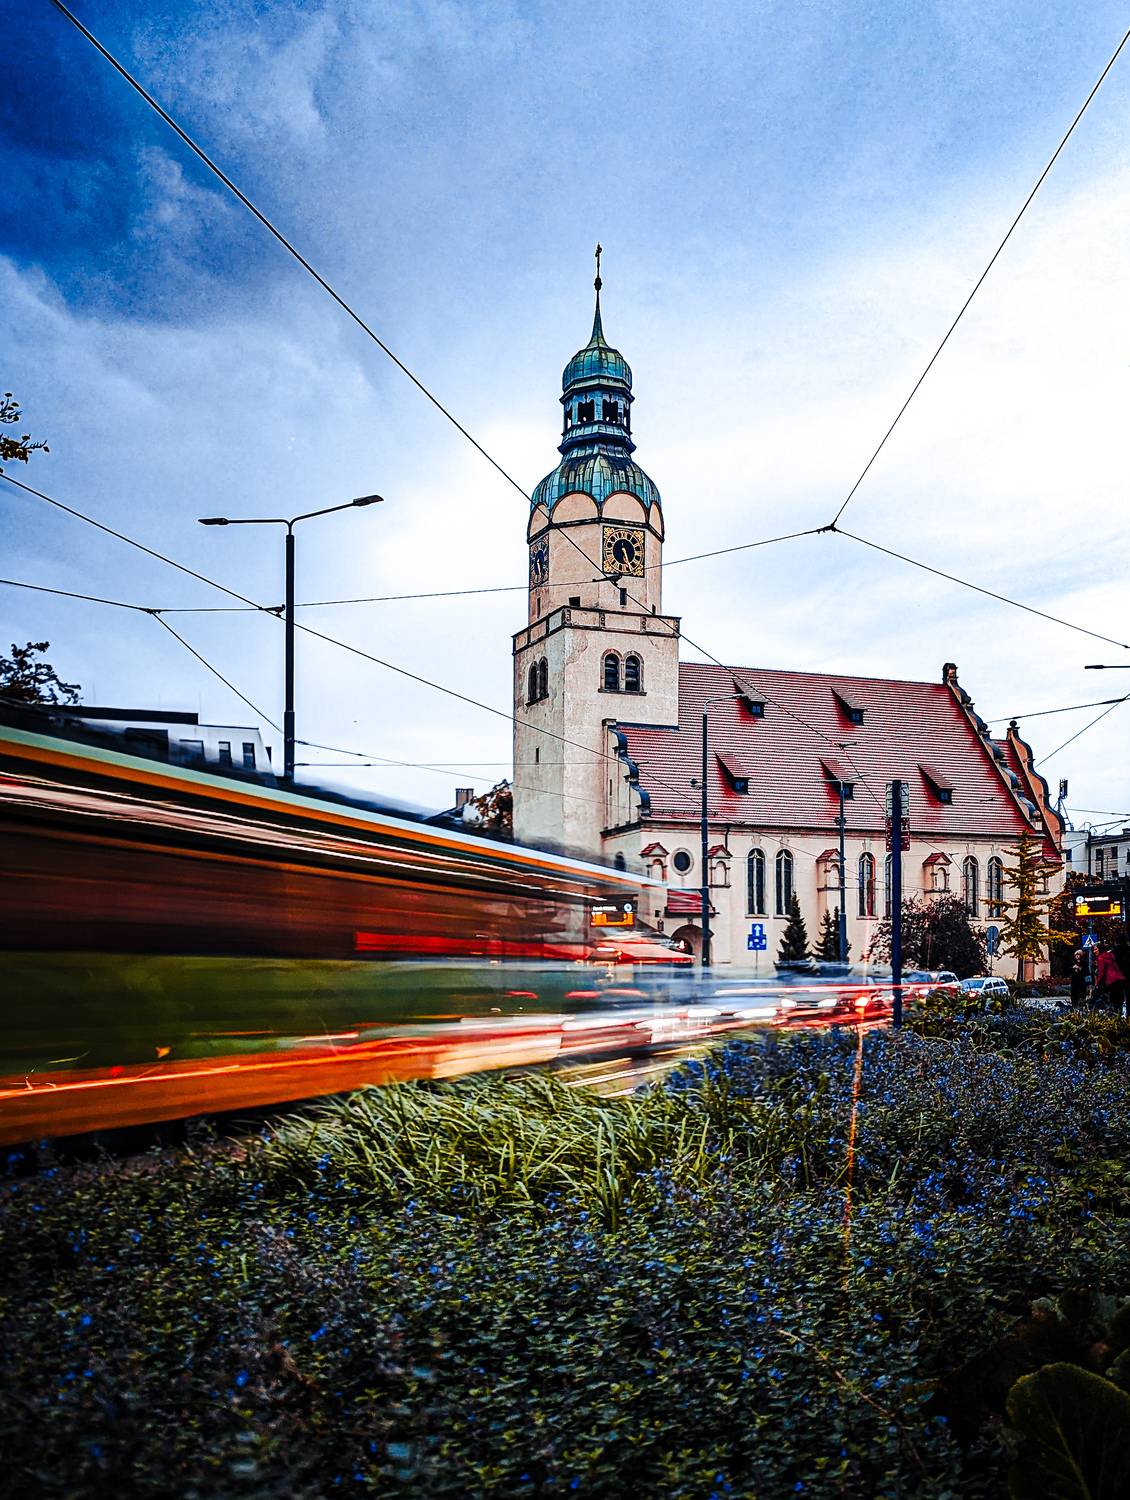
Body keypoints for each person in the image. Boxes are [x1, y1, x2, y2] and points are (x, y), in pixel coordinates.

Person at [1094, 947, 1127, 1013]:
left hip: (1112, 981)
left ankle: (1113, 1015)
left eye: (1096, 949)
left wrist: (1097, 983)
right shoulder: (1111, 956)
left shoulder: (1100, 958)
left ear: (1100, 949)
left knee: (1111, 1001)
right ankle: (1120, 1015)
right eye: (1093, 950)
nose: (1094, 951)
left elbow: (1101, 972)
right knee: (1119, 1001)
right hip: (1120, 980)